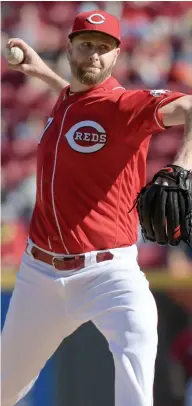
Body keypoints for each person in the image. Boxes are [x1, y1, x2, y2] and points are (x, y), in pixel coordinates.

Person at [2, 10, 192, 406]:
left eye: (104, 48)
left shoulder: (126, 107)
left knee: (136, 373)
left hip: (108, 274)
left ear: (117, 56)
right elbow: (81, 108)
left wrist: (181, 168)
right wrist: (40, 73)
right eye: (86, 45)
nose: (94, 55)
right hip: (39, 276)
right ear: (69, 47)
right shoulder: (69, 103)